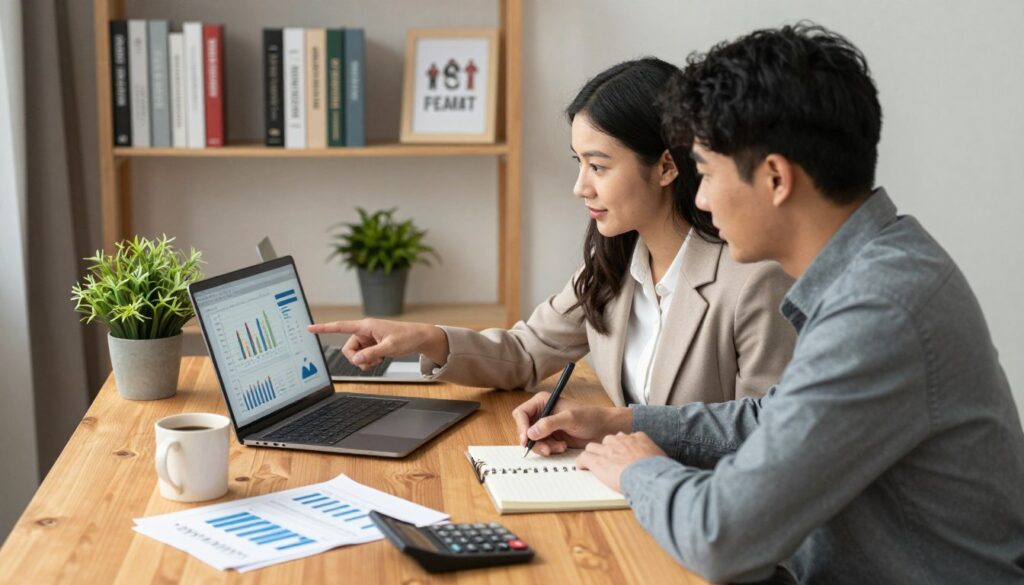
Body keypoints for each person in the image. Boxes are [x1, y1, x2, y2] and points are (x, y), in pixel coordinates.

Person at [512, 23, 1024, 584]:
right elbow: (775, 415)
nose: (700, 198)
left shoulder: (880, 310)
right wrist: (625, 421)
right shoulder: (881, 265)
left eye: (705, 173)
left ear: (776, 177)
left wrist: (640, 470)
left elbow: (722, 536)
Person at [308, 58, 796, 423]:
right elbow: (524, 353)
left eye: (599, 166)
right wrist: (428, 338)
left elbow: (764, 440)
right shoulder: (614, 264)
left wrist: (617, 431)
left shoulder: (752, 283)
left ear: (667, 165)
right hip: (622, 488)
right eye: (578, 163)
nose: (580, 187)